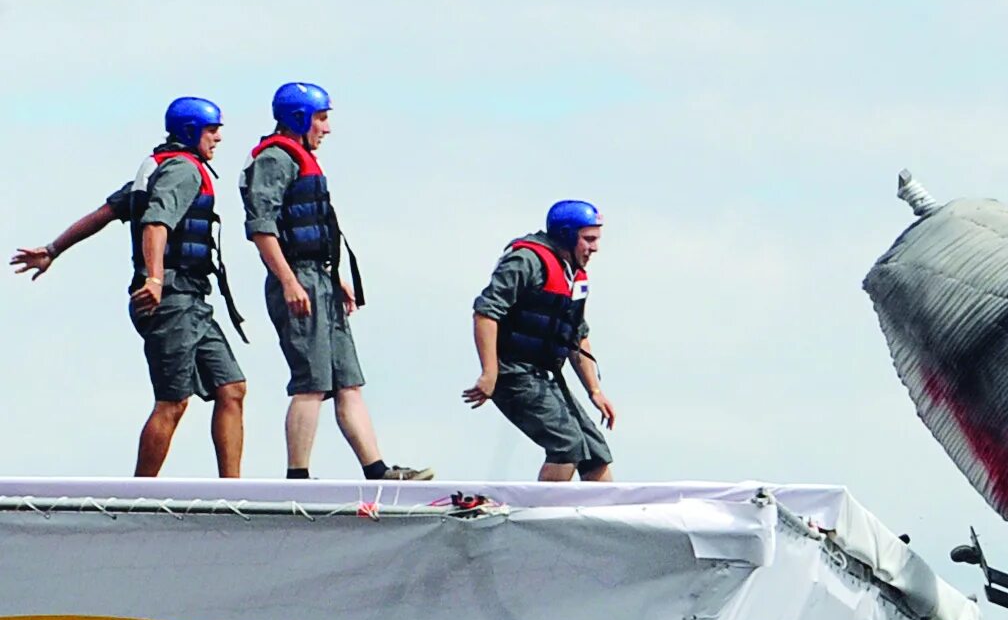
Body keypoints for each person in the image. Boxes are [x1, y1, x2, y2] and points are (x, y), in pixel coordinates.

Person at [13, 95, 249, 476]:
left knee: (231, 388)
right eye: (211, 129)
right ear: (190, 132)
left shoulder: (156, 167)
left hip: (191, 299)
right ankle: (139, 495)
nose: (218, 137)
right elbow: (157, 223)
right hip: (171, 298)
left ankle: (233, 490)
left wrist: (53, 248)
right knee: (173, 401)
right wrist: (154, 279)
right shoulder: (183, 171)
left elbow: (105, 213)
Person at [240, 83, 428, 483]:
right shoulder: (275, 160)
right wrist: (289, 282)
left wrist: (335, 276)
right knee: (311, 383)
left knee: (348, 380)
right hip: (297, 277)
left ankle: (378, 470)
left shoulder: (302, 158)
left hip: (319, 277)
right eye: (321, 118)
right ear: (299, 118)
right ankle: (298, 475)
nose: (326, 128)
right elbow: (262, 228)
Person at [465, 200, 616, 480]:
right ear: (566, 235)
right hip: (512, 371)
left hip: (543, 374)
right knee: (567, 445)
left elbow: (576, 336)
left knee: (594, 451)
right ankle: (540, 519)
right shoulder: (527, 262)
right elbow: (485, 312)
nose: (595, 248)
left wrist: (594, 390)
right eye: (589, 239)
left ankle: (610, 521)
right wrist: (489, 373)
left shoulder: (575, 276)